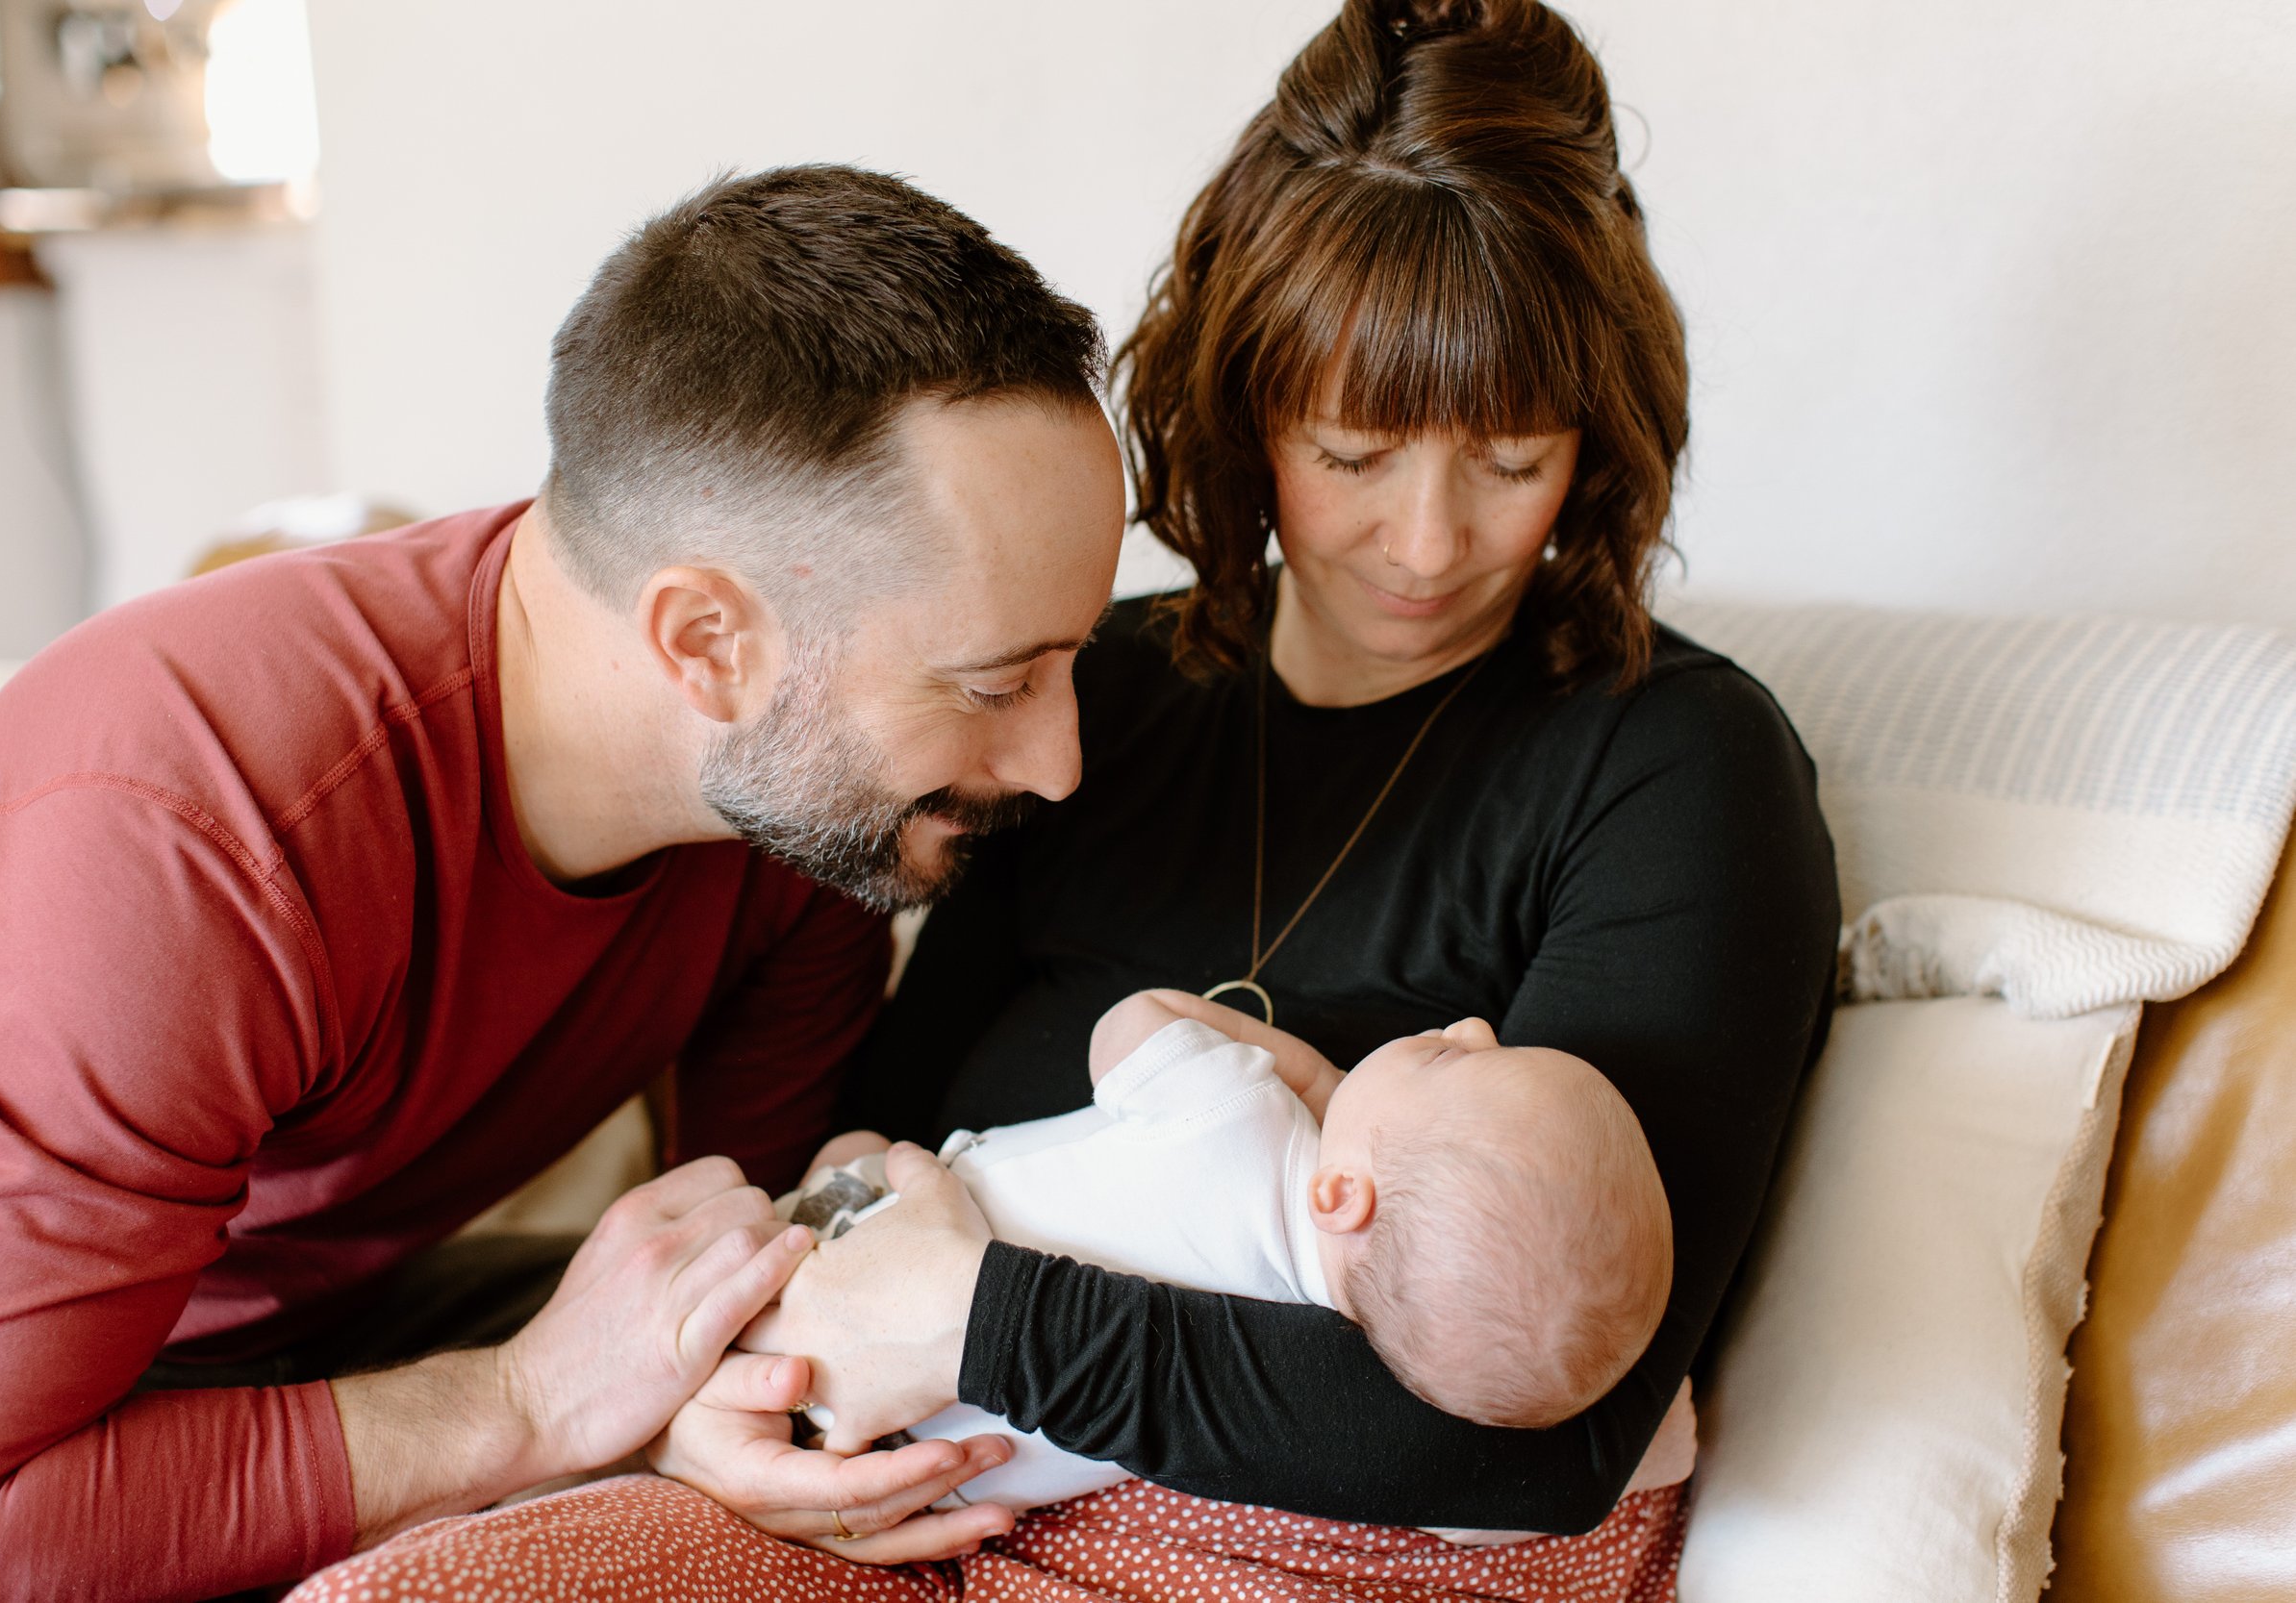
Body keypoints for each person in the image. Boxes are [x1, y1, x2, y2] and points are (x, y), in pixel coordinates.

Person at [288, 2, 1841, 1597]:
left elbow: (1546, 1435)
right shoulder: (1077, 698)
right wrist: (728, 1410)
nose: (1431, 540)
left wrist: (978, 1319)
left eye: (1514, 457)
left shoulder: (1673, 769)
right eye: (1356, 451)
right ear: (1247, 411)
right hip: (894, 1496)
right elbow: (863, 1147)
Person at [0, 165, 1126, 1599]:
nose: (1057, 763)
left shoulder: (797, 819)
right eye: (994, 682)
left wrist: (711, 1379)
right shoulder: (193, 828)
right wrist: (533, 1405)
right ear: (708, 641)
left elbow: (751, 1253)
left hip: (304, 1335)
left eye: (1073, 658)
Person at [776, 985, 1676, 1521]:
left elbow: (1131, 1026)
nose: (1476, 1023)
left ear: (1340, 1195)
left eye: (1447, 1059)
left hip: (858, 1249)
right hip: (914, 1477)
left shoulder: (1242, 1114)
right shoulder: (1309, 1365)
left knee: (839, 1151)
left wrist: (1314, 1083)